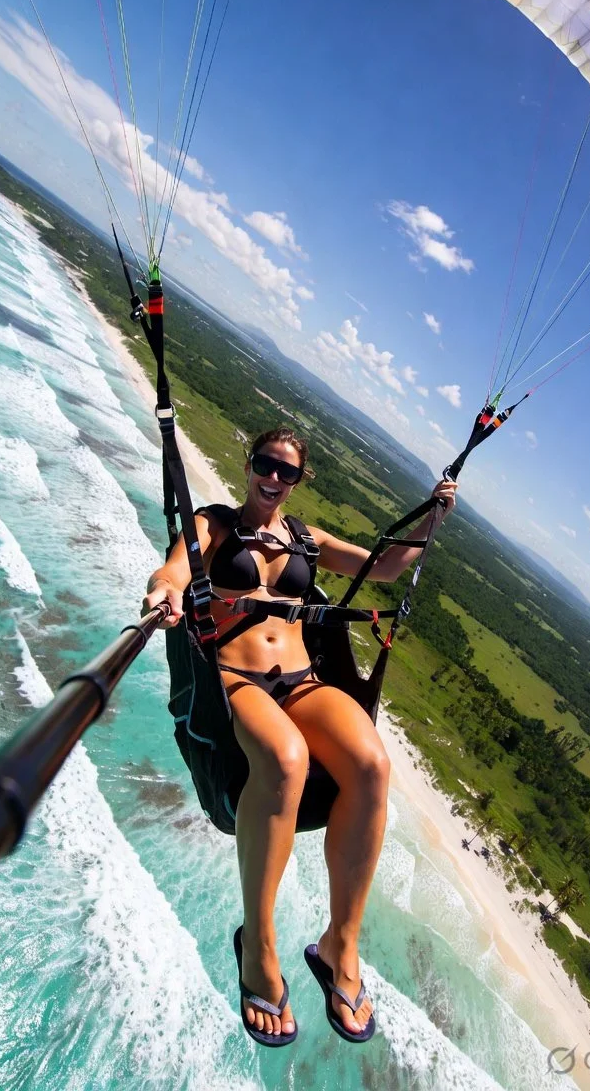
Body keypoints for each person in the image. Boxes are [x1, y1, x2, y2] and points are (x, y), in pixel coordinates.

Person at [143, 426, 456, 1046]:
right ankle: (257, 944)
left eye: (287, 472)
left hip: (303, 681)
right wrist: (163, 594)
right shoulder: (214, 524)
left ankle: (340, 944)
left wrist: (432, 517)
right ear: (250, 464)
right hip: (237, 682)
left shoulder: (306, 541)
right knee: (285, 760)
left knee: (371, 762)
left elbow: (385, 566)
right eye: (266, 464)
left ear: (297, 481)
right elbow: (175, 569)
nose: (274, 478)